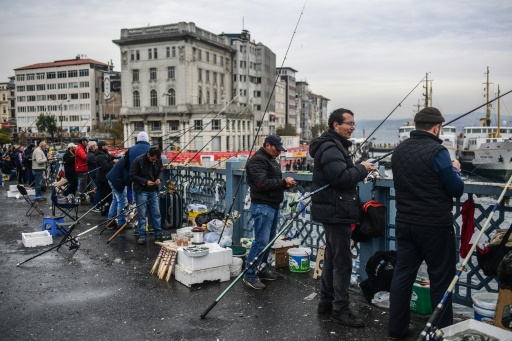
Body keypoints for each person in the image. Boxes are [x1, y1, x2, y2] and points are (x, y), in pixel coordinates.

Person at [388, 107, 464, 339]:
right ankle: (440, 332)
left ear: (415, 125)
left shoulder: (399, 151)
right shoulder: (438, 151)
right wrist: (455, 169)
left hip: (404, 222)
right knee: (441, 278)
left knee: (402, 275)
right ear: (436, 127)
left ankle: (396, 329)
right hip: (434, 225)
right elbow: (456, 188)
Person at [309, 108, 374, 327]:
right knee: (342, 262)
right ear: (335, 125)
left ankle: (326, 303)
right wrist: (362, 169)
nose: (352, 127)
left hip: (335, 209)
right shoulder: (330, 148)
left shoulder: (332, 146)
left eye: (354, 124)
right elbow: (341, 178)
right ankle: (341, 310)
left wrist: (356, 168)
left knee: (332, 259)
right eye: (349, 123)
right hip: (336, 211)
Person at [242, 135, 297, 289]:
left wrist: (285, 185)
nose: (279, 152)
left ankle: (262, 268)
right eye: (277, 148)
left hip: (272, 205)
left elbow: (271, 182)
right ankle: (250, 274)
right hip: (262, 206)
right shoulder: (258, 160)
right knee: (261, 242)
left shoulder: (271, 159)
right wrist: (283, 182)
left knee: (268, 242)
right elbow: (262, 183)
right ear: (267, 145)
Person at [129, 147, 165, 245]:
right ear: (148, 154)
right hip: (141, 190)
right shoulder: (138, 160)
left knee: (156, 213)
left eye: (156, 160)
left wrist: (159, 179)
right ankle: (142, 235)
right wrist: (145, 182)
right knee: (142, 214)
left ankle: (158, 234)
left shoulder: (157, 160)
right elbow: (132, 175)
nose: (154, 161)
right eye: (153, 159)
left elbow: (160, 170)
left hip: (153, 190)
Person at [106, 154, 128, 229]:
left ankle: (110, 220)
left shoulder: (125, 159)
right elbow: (128, 176)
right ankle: (121, 222)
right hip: (117, 181)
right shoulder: (128, 161)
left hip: (111, 179)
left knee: (115, 200)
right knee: (121, 201)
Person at [96, 141, 117, 214]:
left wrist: (121, 157)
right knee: (105, 196)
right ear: (102, 147)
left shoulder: (105, 153)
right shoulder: (100, 156)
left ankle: (108, 210)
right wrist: (113, 162)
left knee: (108, 195)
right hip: (103, 178)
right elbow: (105, 167)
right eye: (106, 145)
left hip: (106, 178)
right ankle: (104, 211)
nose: (108, 146)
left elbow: (112, 157)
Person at [75, 136, 91, 204]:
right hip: (82, 169)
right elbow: (85, 157)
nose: (87, 143)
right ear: (83, 142)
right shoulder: (79, 149)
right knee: (83, 184)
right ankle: (82, 199)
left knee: (89, 183)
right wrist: (88, 150)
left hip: (85, 168)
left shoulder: (82, 148)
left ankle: (91, 197)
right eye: (86, 142)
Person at [86, 141, 101, 211]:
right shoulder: (91, 156)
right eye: (95, 146)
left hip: (95, 174)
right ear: (92, 147)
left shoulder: (92, 154)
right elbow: (98, 162)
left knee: (98, 188)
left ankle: (97, 204)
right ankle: (96, 205)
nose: (97, 147)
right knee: (99, 189)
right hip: (95, 174)